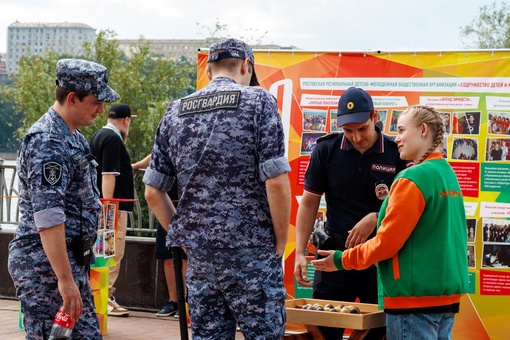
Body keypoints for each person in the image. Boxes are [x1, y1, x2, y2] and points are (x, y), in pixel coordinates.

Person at [143, 38, 291, 339]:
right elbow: (275, 181)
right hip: (253, 251)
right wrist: (280, 244)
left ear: (208, 70)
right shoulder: (258, 102)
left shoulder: (175, 112)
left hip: (200, 257)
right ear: (246, 66)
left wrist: (184, 236)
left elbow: (152, 192)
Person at [312, 105, 468, 339]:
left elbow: (386, 243)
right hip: (444, 302)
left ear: (423, 130)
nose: (397, 138)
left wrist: (341, 259)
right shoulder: (446, 173)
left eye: (403, 129)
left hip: (413, 303)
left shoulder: (413, 177)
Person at [8, 58, 119, 339]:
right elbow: (48, 218)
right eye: (95, 102)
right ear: (72, 98)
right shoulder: (47, 141)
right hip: (45, 269)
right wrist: (65, 280)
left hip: (65, 264)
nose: (101, 109)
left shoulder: (74, 138)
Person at [294, 87, 413, 340]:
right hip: (335, 254)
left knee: (380, 332)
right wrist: (300, 252)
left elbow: (409, 205)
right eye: (348, 131)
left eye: (362, 129)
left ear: (375, 117)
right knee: (323, 331)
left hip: (381, 256)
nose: (356, 138)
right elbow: (308, 204)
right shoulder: (325, 149)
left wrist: (375, 217)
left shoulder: (397, 152)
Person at [90, 103, 136, 317]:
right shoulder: (113, 139)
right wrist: (108, 210)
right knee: (112, 253)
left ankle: (100, 296)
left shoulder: (99, 135)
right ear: (126, 120)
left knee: (102, 253)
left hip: (106, 206)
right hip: (113, 208)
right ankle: (104, 297)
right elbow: (108, 174)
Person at [132, 154, 187, 318]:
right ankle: (174, 301)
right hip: (167, 204)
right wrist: (136, 165)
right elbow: (156, 153)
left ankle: (187, 303)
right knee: (167, 255)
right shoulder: (170, 131)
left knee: (186, 256)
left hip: (189, 204)